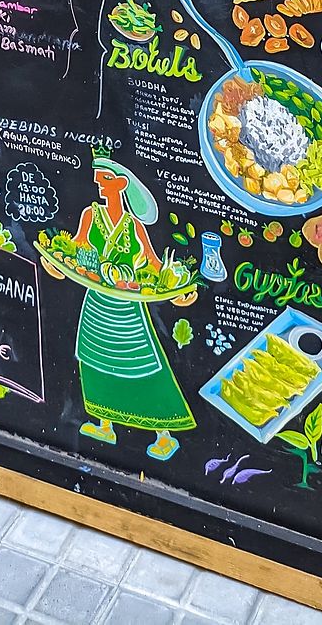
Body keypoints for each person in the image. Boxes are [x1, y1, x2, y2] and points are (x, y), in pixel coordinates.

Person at [44, 153, 196, 461]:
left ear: (122, 183)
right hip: (98, 302)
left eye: (105, 179)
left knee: (143, 364)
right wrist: (57, 264)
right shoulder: (90, 215)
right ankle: (105, 424)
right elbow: (76, 248)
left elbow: (154, 266)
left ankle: (163, 434)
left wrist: (178, 291)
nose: (99, 184)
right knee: (96, 359)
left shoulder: (133, 226)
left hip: (128, 307)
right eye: (98, 179)